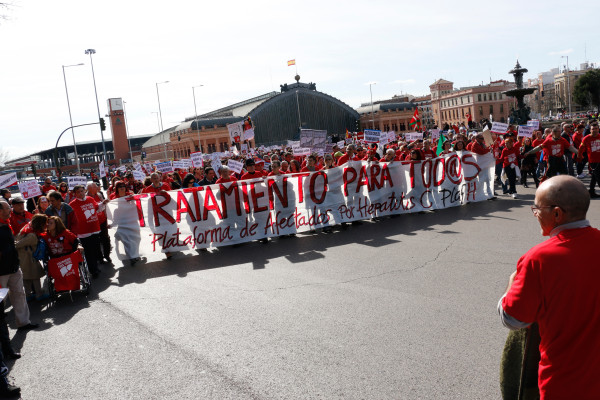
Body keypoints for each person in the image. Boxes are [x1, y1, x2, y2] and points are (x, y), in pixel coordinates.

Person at [498, 176, 600, 399]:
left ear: (556, 214)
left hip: (564, 382)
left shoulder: (539, 259)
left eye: (537, 208)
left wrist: (512, 282)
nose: (535, 213)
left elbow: (513, 318)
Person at [0, 201, 38, 332]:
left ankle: (23, 322)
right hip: (1, 271)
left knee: (19, 295)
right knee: (1, 299)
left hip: (14, 267)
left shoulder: (7, 224)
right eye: (7, 208)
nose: (10, 210)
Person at [69, 185, 106, 278]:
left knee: (96, 250)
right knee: (89, 252)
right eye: (78, 192)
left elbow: (97, 208)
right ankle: (93, 270)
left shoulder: (90, 199)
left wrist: (103, 203)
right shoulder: (72, 204)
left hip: (94, 229)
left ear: (84, 191)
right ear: (75, 194)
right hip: (84, 232)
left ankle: (95, 267)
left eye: (82, 191)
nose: (81, 193)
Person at [15, 214, 48, 301]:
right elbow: (18, 244)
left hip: (24, 257)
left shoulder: (27, 227)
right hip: (29, 258)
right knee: (35, 276)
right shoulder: (32, 235)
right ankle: (38, 294)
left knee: (27, 277)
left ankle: (28, 295)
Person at [87, 182, 112, 264]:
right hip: (93, 222)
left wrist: (107, 219)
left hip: (102, 220)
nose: (97, 188)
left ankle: (107, 255)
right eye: (95, 187)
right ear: (90, 189)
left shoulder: (99, 194)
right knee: (96, 241)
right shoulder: (86, 198)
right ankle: (100, 258)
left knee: (105, 239)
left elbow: (104, 207)